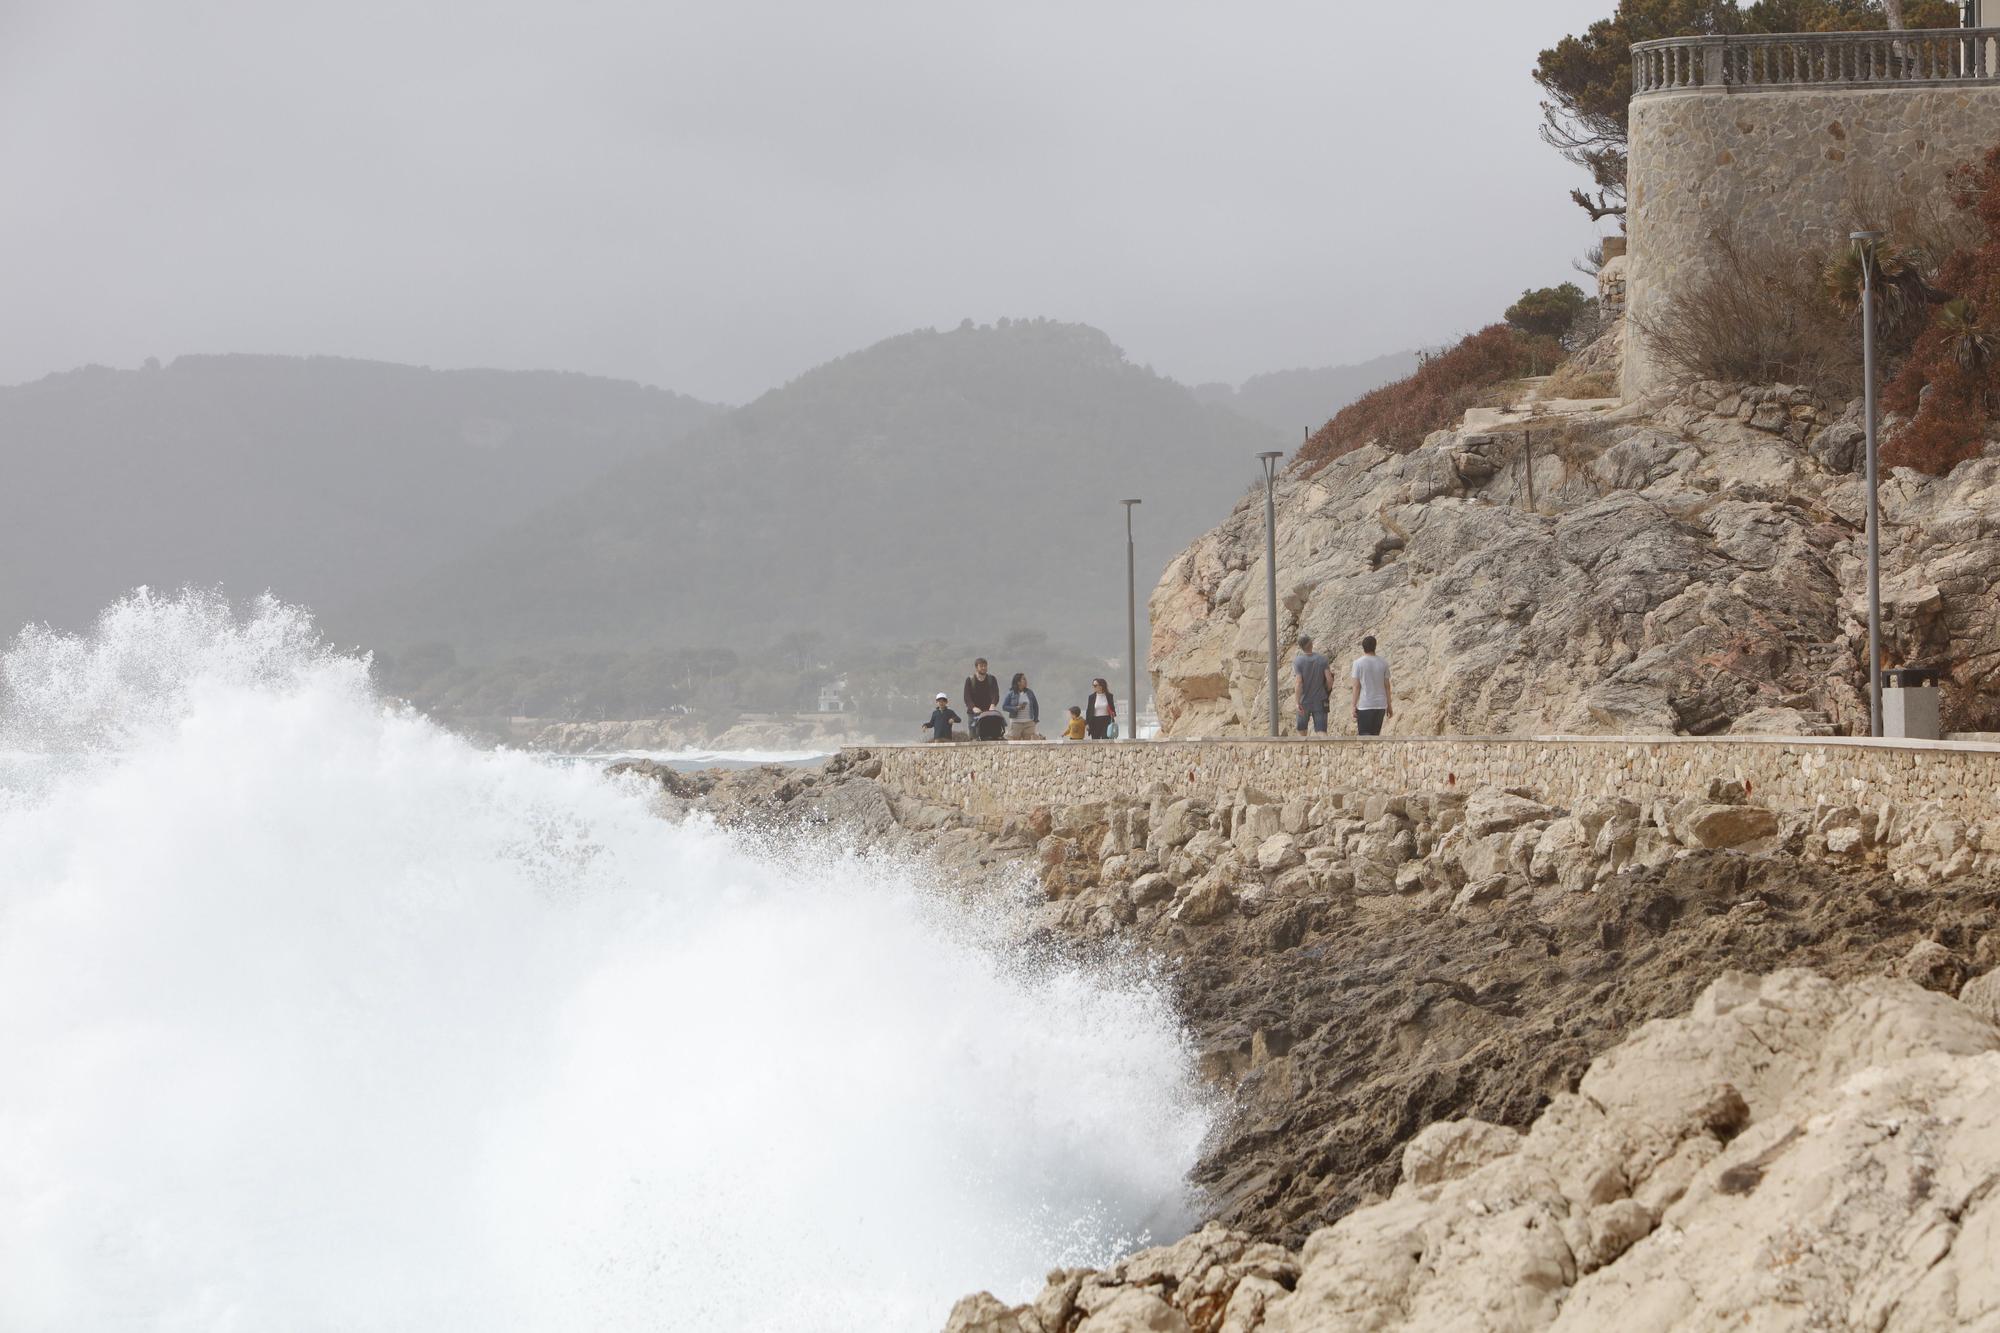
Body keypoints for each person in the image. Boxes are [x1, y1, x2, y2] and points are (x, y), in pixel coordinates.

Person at [1292, 633, 1333, 735]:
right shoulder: (1322, 659)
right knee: (1321, 731)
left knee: (1302, 730)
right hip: (1320, 699)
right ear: (1311, 644)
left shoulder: (1298, 661)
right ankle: (1324, 750)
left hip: (1303, 701)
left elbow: (1299, 682)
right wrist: (1327, 690)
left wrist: (1297, 702)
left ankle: (1304, 751)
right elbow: (1329, 679)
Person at [1351, 635, 1392, 737]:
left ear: (1363, 647)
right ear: (1375, 646)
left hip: (1366, 705)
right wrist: (1389, 705)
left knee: (1364, 736)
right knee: (1375, 736)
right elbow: (1387, 686)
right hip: (1381, 705)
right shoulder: (1383, 663)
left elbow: (1356, 687)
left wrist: (1353, 705)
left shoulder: (1358, 663)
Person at [963, 658, 1000, 732]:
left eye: (985, 666)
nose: (984, 668)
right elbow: (967, 696)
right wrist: (973, 707)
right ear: (976, 667)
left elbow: (995, 694)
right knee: (974, 736)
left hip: (988, 712)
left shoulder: (991, 679)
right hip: (973, 713)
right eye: (981, 666)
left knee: (988, 734)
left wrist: (993, 704)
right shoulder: (970, 680)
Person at [1002, 671, 1041, 740]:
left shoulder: (1030, 692)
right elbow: (1004, 707)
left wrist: (1035, 720)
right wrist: (1015, 708)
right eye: (1024, 679)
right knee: (1014, 744)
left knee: (1028, 744)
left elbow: (1036, 706)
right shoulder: (1011, 693)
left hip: (1029, 723)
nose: (1026, 681)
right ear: (1018, 682)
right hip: (1016, 723)